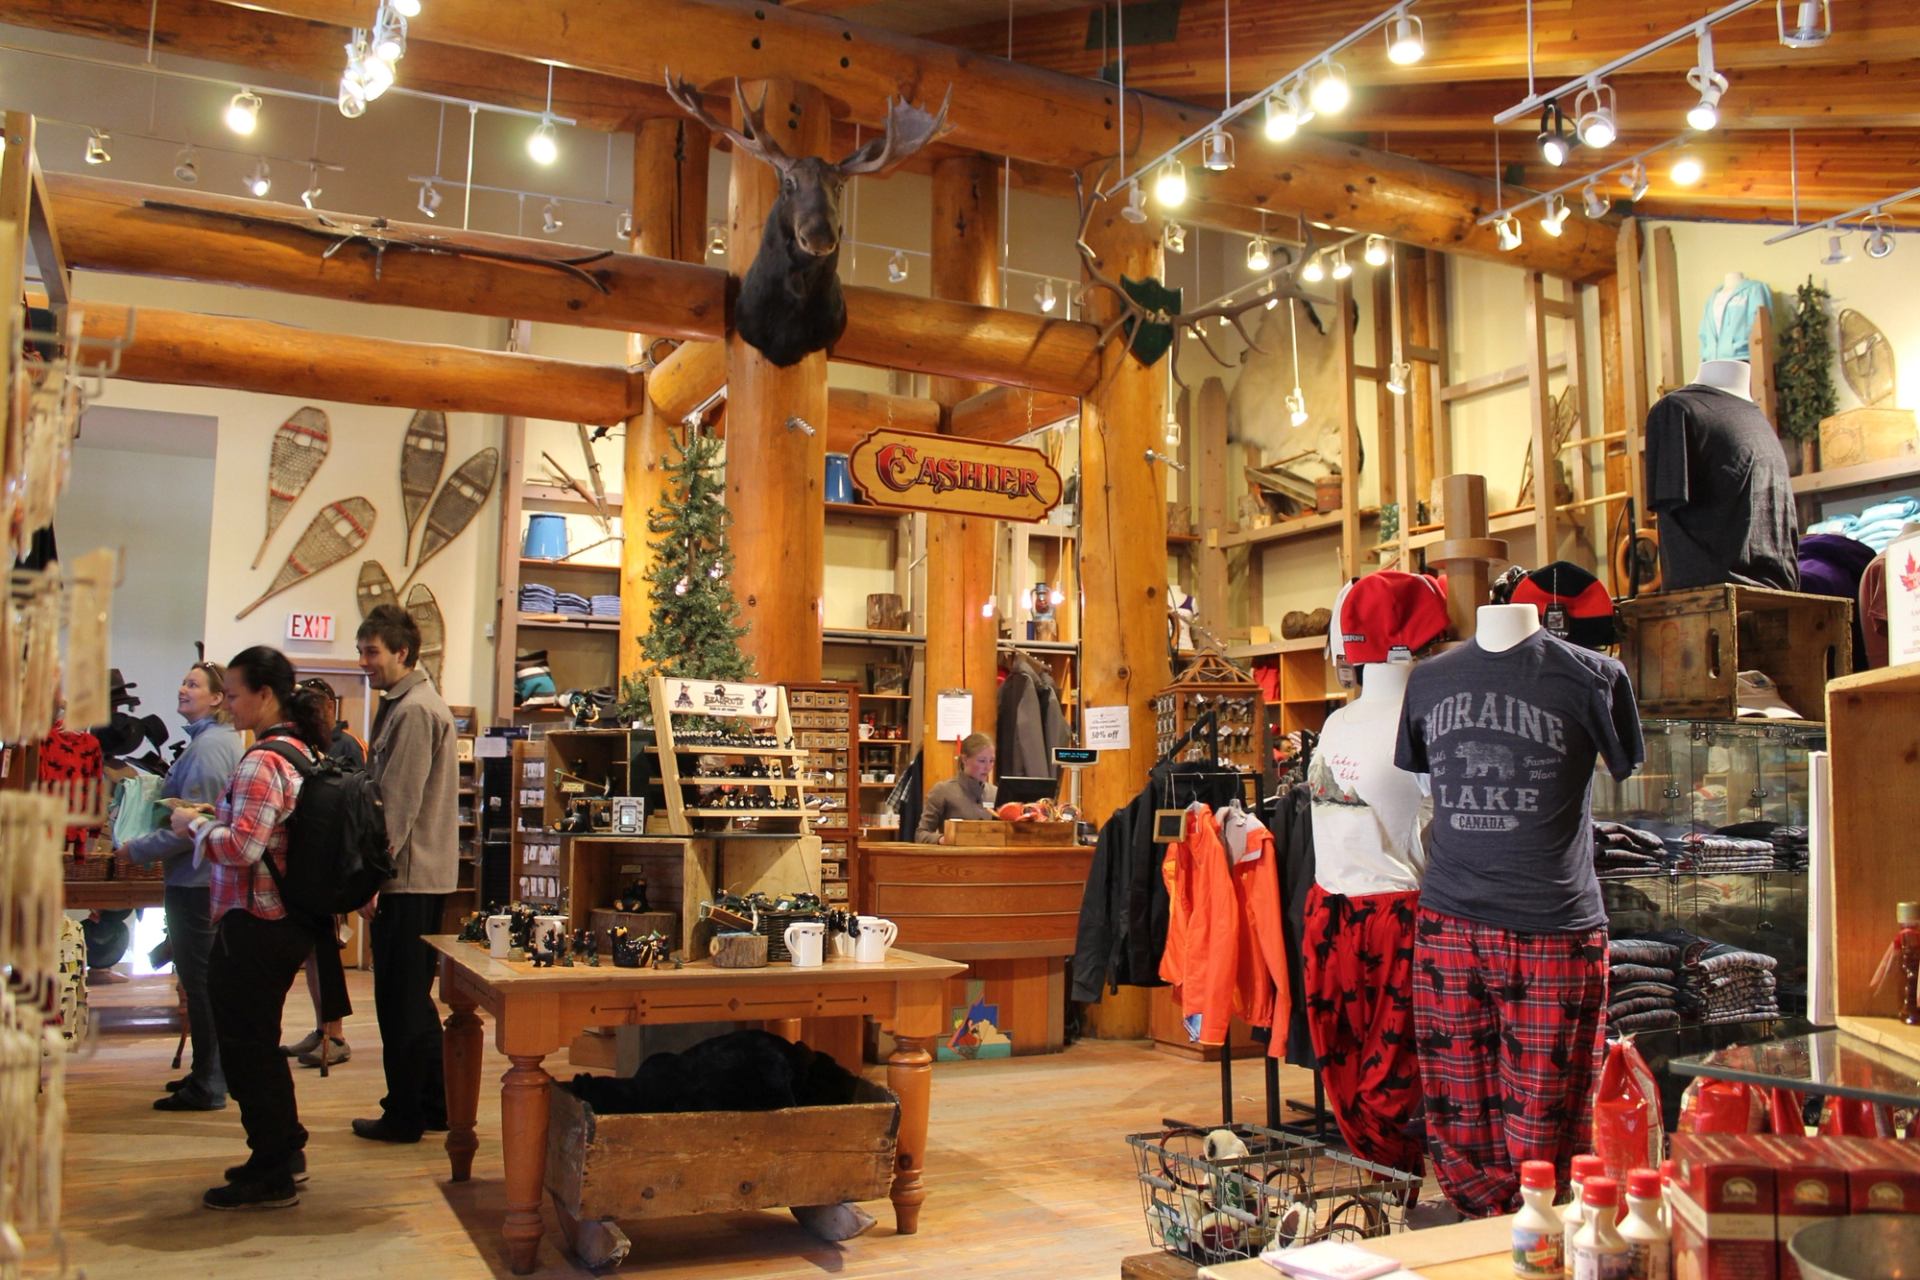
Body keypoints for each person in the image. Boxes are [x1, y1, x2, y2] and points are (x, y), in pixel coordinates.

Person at [170, 646, 330, 1209]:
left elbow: (242, 846)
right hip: (282, 921)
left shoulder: (264, 759)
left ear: (265, 695)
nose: (228, 705)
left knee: (247, 1046)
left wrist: (193, 826)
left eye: (234, 695)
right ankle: (282, 1150)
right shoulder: (301, 751)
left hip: (257, 921)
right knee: (257, 1042)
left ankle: (273, 1170)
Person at [353, 604, 458, 1144]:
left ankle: (405, 1114)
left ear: (402, 652)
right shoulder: (409, 703)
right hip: (414, 873)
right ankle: (432, 1104)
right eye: (361, 650)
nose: (364, 662)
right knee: (411, 997)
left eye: (372, 652)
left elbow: (397, 803)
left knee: (401, 999)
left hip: (409, 876)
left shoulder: (415, 710)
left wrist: (372, 876)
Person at [119, 661, 243, 1112]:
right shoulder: (210, 743)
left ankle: (210, 1082)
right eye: (183, 681)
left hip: (196, 882)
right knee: (203, 983)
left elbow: (193, 826)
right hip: (199, 880)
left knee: (202, 984)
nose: (182, 688)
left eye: (193, 684)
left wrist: (135, 850)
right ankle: (207, 1072)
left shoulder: (210, 749)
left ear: (216, 697)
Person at [279, 678, 361, 1069]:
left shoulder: (347, 745)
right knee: (314, 950)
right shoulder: (300, 744)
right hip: (307, 863)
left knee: (326, 949)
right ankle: (322, 1026)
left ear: (332, 705)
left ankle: (336, 1033)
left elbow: (358, 804)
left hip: (331, 864)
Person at [915, 733, 999, 845]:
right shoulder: (942, 791)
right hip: (956, 860)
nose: (988, 767)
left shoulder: (995, 793)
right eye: (982, 761)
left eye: (991, 761)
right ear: (965, 759)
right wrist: (942, 839)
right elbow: (921, 834)